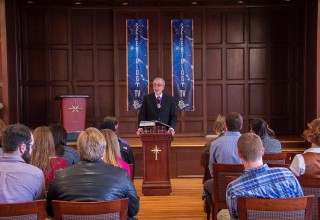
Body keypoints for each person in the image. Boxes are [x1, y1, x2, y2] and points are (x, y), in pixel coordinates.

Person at [46, 127, 139, 219]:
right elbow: (133, 209)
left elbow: (50, 211)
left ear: (78, 150)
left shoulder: (60, 175)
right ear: (103, 151)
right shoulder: (121, 175)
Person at [219, 133, 303, 220]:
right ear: (262, 151)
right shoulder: (287, 175)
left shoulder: (234, 189)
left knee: (221, 214)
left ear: (239, 154)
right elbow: (301, 207)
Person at [203, 112, 243, 207]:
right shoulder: (248, 141)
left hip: (221, 186)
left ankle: (216, 208)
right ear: (241, 126)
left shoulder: (215, 144)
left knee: (206, 184)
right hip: (243, 186)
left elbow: (212, 169)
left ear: (225, 125)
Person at [0, 123, 44, 202]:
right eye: (31, 146)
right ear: (23, 147)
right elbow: (38, 204)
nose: (32, 150)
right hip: (25, 214)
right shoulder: (36, 174)